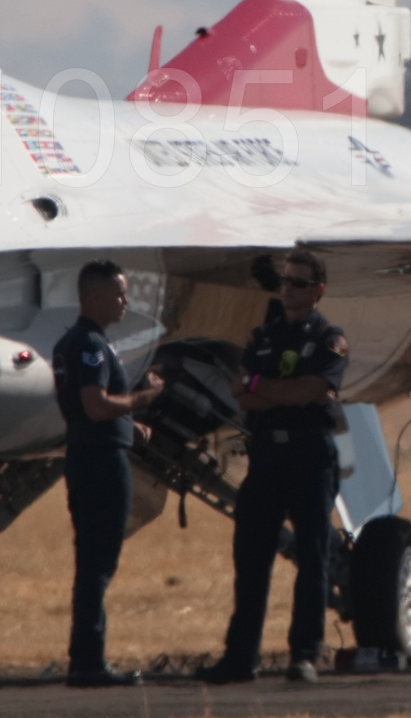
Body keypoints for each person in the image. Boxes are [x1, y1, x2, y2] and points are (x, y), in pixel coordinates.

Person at [200, 249, 350, 685]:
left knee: (313, 556)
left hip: (310, 454)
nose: (289, 290)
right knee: (251, 559)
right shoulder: (262, 337)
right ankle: (240, 657)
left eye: (300, 283)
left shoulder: (329, 339)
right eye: (286, 282)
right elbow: (241, 394)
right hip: (266, 455)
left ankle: (304, 654)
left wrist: (266, 388)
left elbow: (314, 390)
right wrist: (277, 391)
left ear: (318, 290)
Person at [53, 259, 164, 687]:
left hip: (87, 455)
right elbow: (95, 405)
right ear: (93, 296)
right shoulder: (91, 345)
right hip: (100, 463)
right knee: (98, 565)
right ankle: (88, 661)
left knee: (92, 563)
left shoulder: (76, 342)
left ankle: (86, 657)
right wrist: (142, 400)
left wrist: (127, 427)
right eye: (119, 293)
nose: (125, 301)